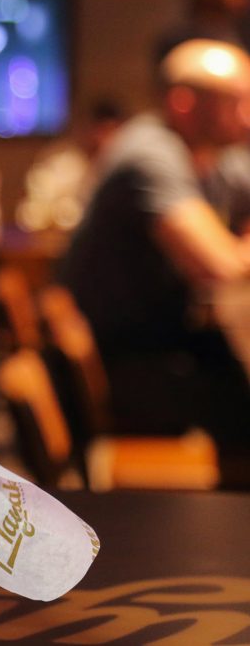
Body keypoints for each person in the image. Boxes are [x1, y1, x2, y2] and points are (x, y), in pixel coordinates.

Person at [57, 39, 250, 488]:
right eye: (235, 102)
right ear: (184, 103)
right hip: (126, 366)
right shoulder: (150, 154)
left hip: (158, 347)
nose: (247, 116)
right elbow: (219, 265)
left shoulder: (208, 156)